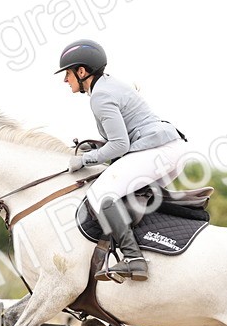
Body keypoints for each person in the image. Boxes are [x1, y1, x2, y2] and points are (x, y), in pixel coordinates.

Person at [57, 39, 190, 282]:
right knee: (124, 196)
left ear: (82, 71)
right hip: (167, 148)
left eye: (68, 73)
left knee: (101, 195)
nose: (65, 80)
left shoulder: (100, 96)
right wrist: (95, 146)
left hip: (158, 150)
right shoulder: (108, 86)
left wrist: (85, 159)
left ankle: (134, 259)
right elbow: (120, 140)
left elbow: (120, 146)